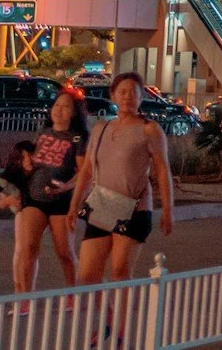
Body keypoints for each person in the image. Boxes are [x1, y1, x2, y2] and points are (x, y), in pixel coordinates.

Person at [71, 72, 175, 282]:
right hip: (103, 205)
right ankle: (104, 314)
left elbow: (163, 171)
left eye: (134, 93)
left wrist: (167, 210)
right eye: (123, 92)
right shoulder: (101, 128)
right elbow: (87, 170)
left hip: (134, 208)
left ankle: (122, 315)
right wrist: (74, 205)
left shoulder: (149, 130)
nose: (128, 97)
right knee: (88, 274)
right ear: (113, 96)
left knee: (120, 271)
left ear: (141, 97)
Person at [12, 87, 89, 293]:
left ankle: (73, 292)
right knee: (28, 248)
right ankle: (25, 298)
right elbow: (28, 162)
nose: (60, 110)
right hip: (35, 197)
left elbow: (83, 172)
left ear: (74, 113)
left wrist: (67, 186)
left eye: (66, 107)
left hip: (61, 202)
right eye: (57, 105)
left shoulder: (77, 139)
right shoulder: (42, 132)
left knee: (64, 251)